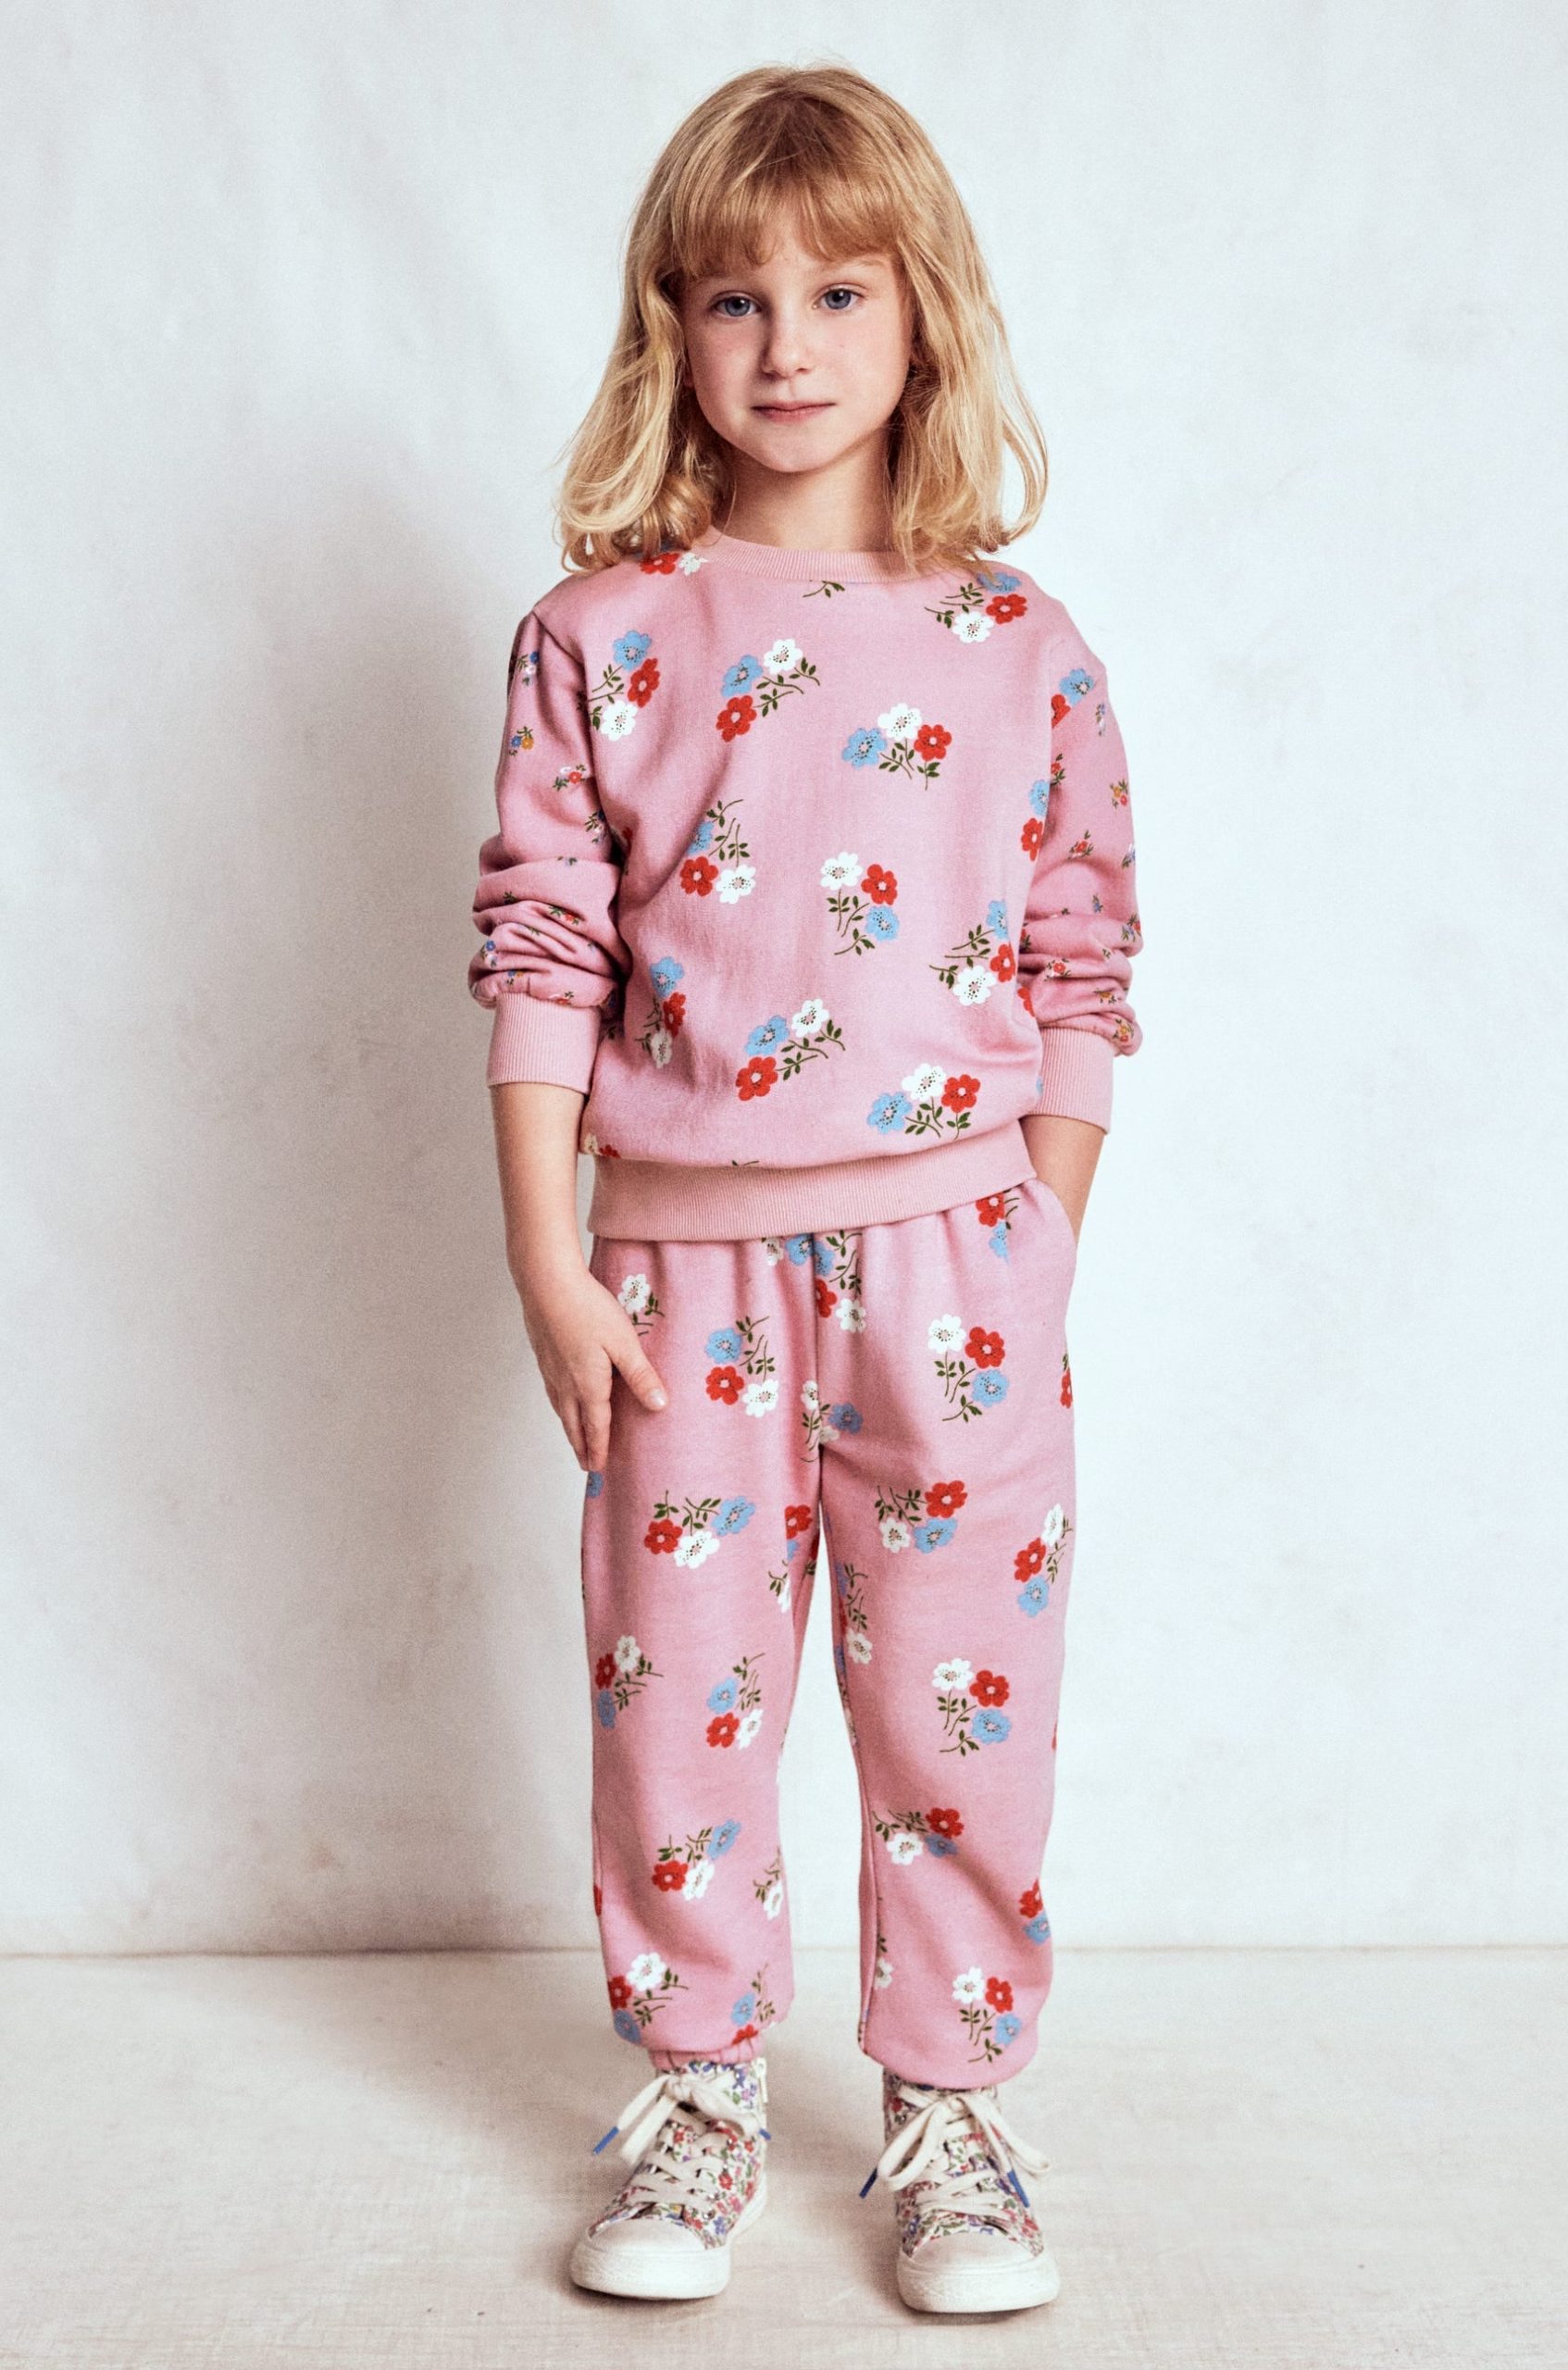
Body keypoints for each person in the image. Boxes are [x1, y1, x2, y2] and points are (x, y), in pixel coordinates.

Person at [468, 60, 1143, 2317]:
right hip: (678, 1276)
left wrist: (1036, 1246)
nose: (786, 343)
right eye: (735, 296)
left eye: (839, 291)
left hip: (961, 1264)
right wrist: (547, 1256)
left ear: (921, 309)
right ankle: (696, 2089)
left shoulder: (1024, 649)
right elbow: (543, 950)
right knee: (680, 1705)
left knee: (964, 1708)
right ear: (672, 326)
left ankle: (954, 2113)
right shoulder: (599, 635)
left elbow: (1081, 964)